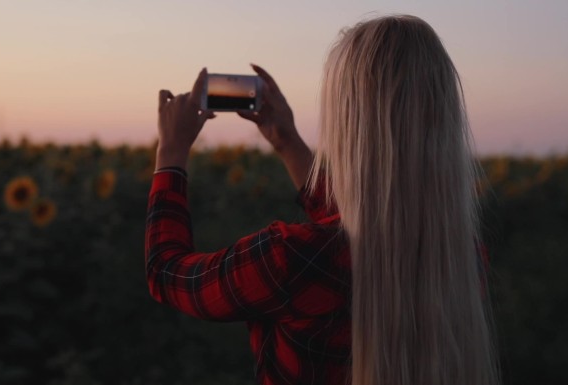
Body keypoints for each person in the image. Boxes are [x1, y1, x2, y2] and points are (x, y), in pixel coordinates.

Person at [145, 14, 500, 385]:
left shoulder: (290, 259)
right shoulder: (463, 258)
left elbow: (166, 273)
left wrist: (170, 152)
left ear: (349, 121)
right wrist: (287, 142)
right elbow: (362, 227)